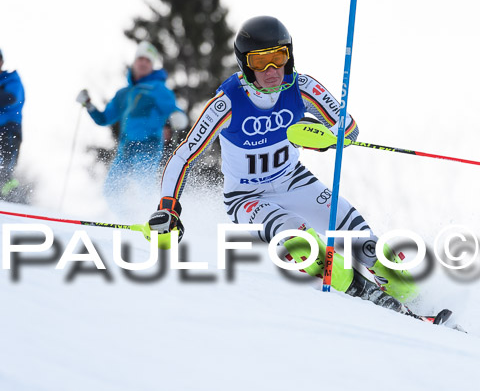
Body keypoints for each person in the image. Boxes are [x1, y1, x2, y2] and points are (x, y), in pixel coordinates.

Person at [148, 16, 426, 317]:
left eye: (278, 57)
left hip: (295, 182)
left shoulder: (302, 87)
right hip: (248, 197)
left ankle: (422, 306)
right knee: (302, 244)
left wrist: (330, 138)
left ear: (288, 56)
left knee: (367, 244)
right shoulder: (226, 103)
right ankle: (367, 298)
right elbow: (185, 155)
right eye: (260, 61)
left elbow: (350, 127)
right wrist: (168, 207)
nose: (271, 70)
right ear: (245, 64)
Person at [76, 42, 188, 215]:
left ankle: (157, 219)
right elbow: (104, 119)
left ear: (152, 66)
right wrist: (88, 105)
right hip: (125, 150)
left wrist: (176, 118)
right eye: (140, 59)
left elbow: (174, 111)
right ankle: (127, 221)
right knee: (111, 189)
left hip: (148, 147)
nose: (143, 63)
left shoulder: (159, 89)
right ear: (134, 62)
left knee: (145, 188)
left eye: (147, 61)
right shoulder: (124, 94)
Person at [0, 48, 25, 199]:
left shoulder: (12, 79)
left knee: (4, 168)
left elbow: (11, 98)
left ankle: (11, 199)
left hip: (9, 130)